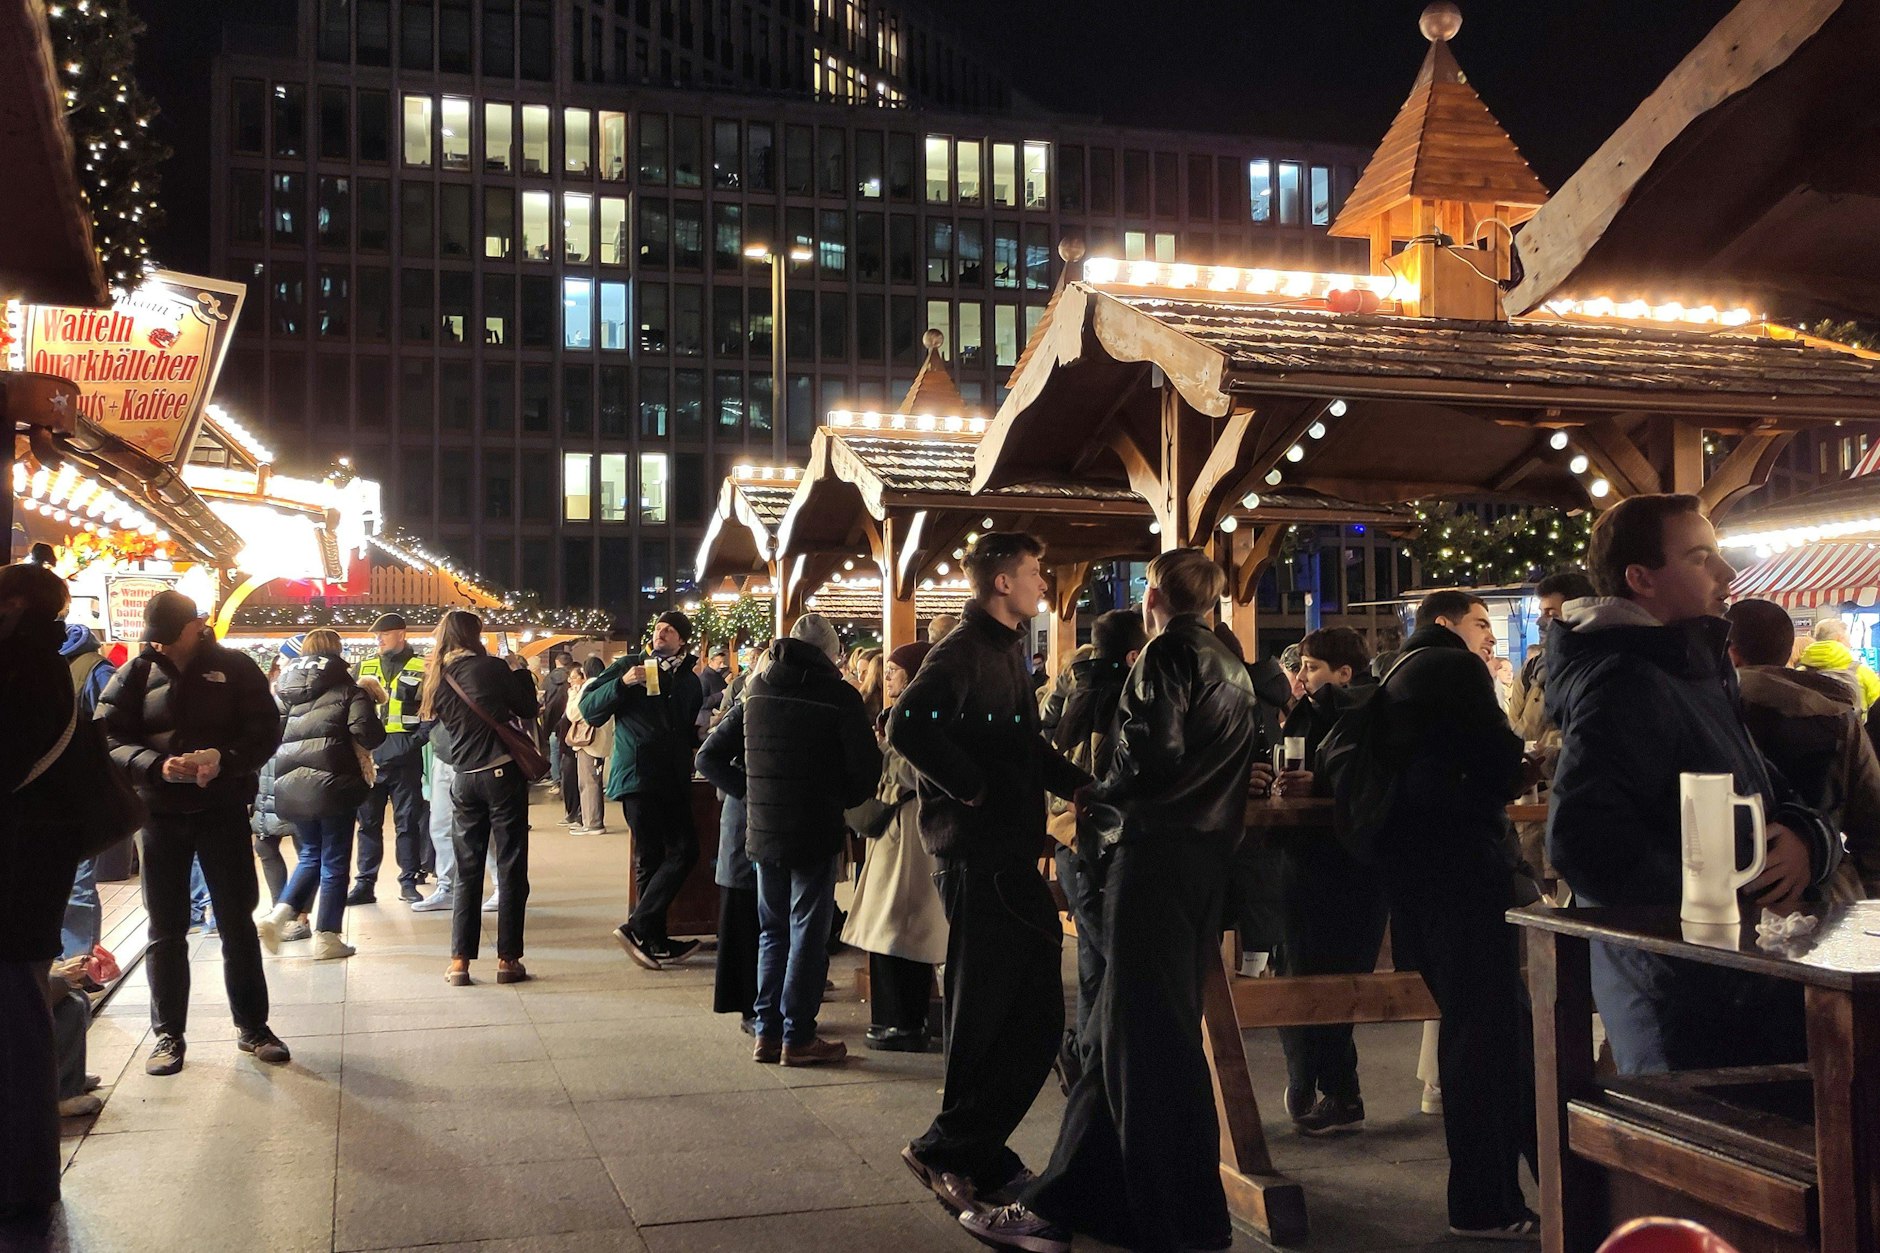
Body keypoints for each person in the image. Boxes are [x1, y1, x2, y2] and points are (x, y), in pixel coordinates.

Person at [965, 549, 1258, 1253]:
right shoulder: (1231, 665)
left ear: (1153, 592)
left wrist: (1101, 788)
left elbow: (1150, 753)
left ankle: (1175, 1218)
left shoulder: (1165, 658)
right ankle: (1078, 1198)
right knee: (1126, 1031)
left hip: (1153, 857)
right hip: (1204, 860)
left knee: (1139, 1038)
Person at [1548, 494, 1841, 1079]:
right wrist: (1720, 893)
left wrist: (1809, 842)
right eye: (1702, 556)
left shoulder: (1691, 669)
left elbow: (1771, 794)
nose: (1727, 573)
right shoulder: (1625, 681)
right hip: (1678, 996)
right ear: (1641, 579)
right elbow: (1581, 844)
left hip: (1729, 977)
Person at [890, 532, 1089, 1216]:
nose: (1045, 580)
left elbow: (1023, 744)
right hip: (979, 853)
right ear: (1002, 582)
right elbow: (909, 724)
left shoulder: (1002, 648)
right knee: (995, 1013)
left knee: (1024, 1014)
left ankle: (976, 1148)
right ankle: (949, 1148)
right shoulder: (964, 649)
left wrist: (1078, 784)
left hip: (1000, 852)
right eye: (1036, 570)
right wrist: (971, 787)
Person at [1370, 589, 1537, 1239]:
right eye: (1479, 622)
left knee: (1488, 1032)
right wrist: (1526, 765)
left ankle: (1508, 1189)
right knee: (1485, 1040)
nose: (1487, 636)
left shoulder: (1395, 670)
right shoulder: (1453, 668)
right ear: (1446, 623)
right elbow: (1497, 763)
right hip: (1465, 872)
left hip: (1414, 877)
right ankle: (1485, 1202)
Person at [98, 590, 289, 1076]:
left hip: (221, 808)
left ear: (196, 626)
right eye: (153, 638)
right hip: (158, 815)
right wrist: (157, 766)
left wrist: (224, 759)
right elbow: (108, 737)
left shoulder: (236, 667)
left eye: (168, 637)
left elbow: (265, 728)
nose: (159, 646)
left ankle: (253, 1027)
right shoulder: (135, 673)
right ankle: (167, 1036)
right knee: (165, 927)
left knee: (236, 921)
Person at [698, 613, 880, 1065]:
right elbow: (865, 773)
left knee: (772, 932)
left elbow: (709, 757)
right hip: (815, 830)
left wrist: (754, 794)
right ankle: (798, 1036)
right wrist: (837, 799)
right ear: (830, 653)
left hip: (762, 833)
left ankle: (767, 1032)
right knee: (805, 933)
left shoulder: (757, 690)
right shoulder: (839, 696)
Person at [1268, 625, 1390, 1136]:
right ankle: (1316, 1084)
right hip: (1309, 860)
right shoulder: (1311, 711)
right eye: (1299, 666)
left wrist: (1316, 786)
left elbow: (1366, 779)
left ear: (1345, 672)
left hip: (1345, 865)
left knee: (1328, 980)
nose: (1300, 676)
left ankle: (1334, 1090)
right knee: (1300, 973)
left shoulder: (1362, 713)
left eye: (1311, 667)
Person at [0, 564, 92, 1227]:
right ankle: (26, 1174)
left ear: (14, 603)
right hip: (35, 866)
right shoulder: (44, 662)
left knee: (17, 1019)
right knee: (21, 1010)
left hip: (18, 868)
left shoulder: (22, 668)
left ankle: (26, 1180)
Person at [1042, 611, 1144, 1088]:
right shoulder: (1121, 699)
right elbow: (1113, 777)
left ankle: (1088, 1061)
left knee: (1094, 965)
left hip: (1067, 838)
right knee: (1122, 961)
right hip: (1099, 843)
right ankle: (1095, 1061)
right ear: (1131, 654)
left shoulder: (1075, 691)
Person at [1728, 598, 1880, 899]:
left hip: (1730, 900)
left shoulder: (1713, 707)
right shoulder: (1836, 714)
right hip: (1823, 898)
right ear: (1787, 652)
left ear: (1730, 654)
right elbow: (1874, 828)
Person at [580, 611, 706, 969]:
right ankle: (644, 932)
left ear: (682, 640)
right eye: (657, 629)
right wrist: (623, 683)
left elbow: (683, 725)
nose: (660, 633)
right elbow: (589, 710)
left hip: (673, 776)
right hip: (638, 775)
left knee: (677, 852)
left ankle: (649, 935)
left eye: (669, 630)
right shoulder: (632, 665)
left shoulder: (689, 679)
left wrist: (697, 737)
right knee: (659, 853)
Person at [421, 609, 538, 986]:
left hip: (463, 778)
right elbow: (527, 708)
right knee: (510, 863)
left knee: (466, 869)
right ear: (474, 635)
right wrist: (520, 673)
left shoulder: (437, 678)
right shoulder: (490, 668)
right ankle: (508, 960)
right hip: (500, 773)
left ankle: (459, 962)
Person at [844, 640, 950, 1053]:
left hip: (909, 832)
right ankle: (896, 1019)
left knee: (900, 926)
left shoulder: (922, 713)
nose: (885, 676)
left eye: (893, 670)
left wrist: (882, 752)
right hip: (896, 831)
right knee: (891, 929)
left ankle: (903, 1022)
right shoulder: (898, 711)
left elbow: (916, 770)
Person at [258, 629, 387, 960]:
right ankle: (327, 937)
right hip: (333, 785)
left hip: (291, 785)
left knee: (310, 855)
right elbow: (369, 736)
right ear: (337, 651)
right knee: (333, 860)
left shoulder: (283, 692)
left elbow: (271, 737)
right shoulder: (350, 690)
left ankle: (278, 915)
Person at [1505, 570, 1598, 888]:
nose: (1542, 622)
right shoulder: (1532, 669)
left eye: (1551, 613)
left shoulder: (1595, 665)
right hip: (1532, 804)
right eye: (1541, 613)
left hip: (1575, 808)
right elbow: (1516, 725)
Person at [352, 613, 429, 904]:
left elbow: (432, 713)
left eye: (384, 633)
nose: (379, 638)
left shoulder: (422, 667)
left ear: (401, 634)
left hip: (405, 757)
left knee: (407, 823)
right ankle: (364, 884)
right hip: (371, 758)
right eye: (376, 635)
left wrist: (413, 742)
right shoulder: (365, 666)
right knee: (368, 824)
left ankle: (408, 880)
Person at [57, 615, 117, 967]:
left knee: (77, 878)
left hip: (80, 788)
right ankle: (72, 960)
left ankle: (81, 962)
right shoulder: (54, 667)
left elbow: (113, 727)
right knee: (68, 878)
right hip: (62, 789)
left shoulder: (94, 669)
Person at [699, 685, 759, 1034]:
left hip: (752, 828)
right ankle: (751, 1007)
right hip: (744, 830)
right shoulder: (748, 709)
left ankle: (759, 1006)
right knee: (744, 919)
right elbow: (708, 758)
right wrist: (751, 790)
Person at [565, 656, 610, 834]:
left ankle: (592, 822)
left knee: (588, 782)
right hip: (602, 739)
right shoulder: (606, 684)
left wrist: (572, 695)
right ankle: (593, 820)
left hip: (589, 741)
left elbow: (573, 713)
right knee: (595, 781)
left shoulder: (589, 686)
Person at [1808, 617, 1880, 711]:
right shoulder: (1862, 672)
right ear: (1839, 639)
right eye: (1848, 640)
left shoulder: (1800, 672)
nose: (1850, 645)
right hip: (1855, 724)